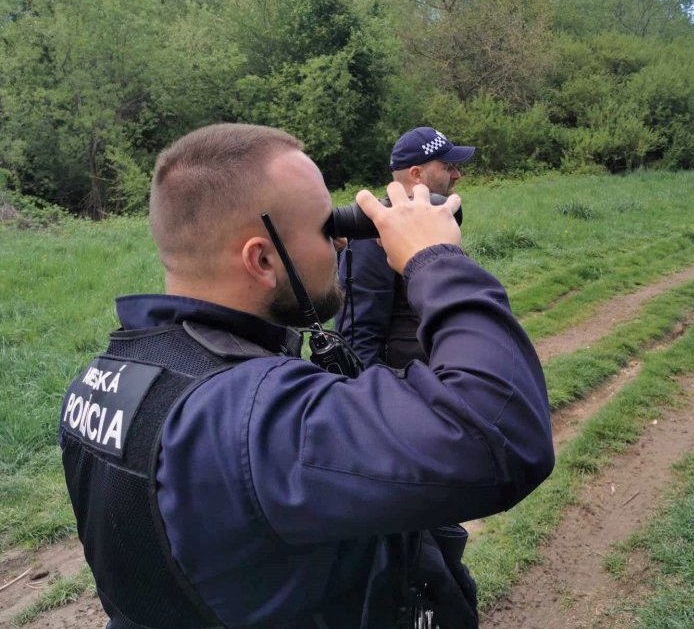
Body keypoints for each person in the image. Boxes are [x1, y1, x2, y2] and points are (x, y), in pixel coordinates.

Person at [58, 123, 553, 628]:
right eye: (326, 228)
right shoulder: (257, 414)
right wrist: (437, 260)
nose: (342, 241)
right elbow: (501, 433)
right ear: (263, 259)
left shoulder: (104, 381)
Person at [336, 126, 475, 368]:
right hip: (407, 389)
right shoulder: (375, 231)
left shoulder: (430, 224)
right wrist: (369, 399)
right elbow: (359, 338)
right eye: (448, 166)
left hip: (441, 376)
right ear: (417, 175)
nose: (457, 175)